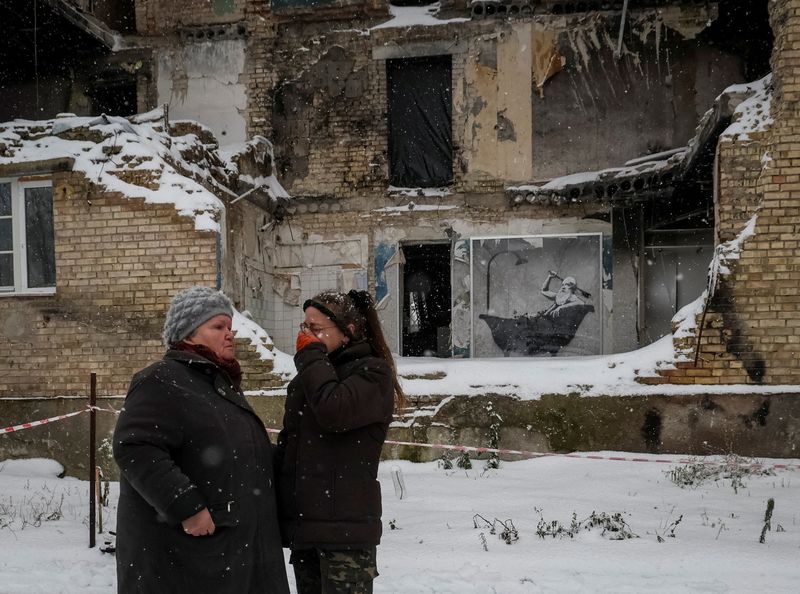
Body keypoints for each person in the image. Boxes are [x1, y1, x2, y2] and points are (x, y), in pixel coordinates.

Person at [113, 286, 290, 594]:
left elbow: (235, 452)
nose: (229, 334)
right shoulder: (161, 380)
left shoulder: (215, 385)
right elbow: (135, 446)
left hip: (229, 551)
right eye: (218, 327)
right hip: (187, 556)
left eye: (230, 327)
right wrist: (186, 507)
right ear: (188, 335)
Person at [276, 289, 404, 594]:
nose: (306, 336)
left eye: (316, 329)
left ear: (348, 332)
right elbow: (291, 445)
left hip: (346, 533)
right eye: (303, 327)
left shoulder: (373, 373)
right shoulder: (312, 375)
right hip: (307, 529)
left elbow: (334, 410)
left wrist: (310, 355)